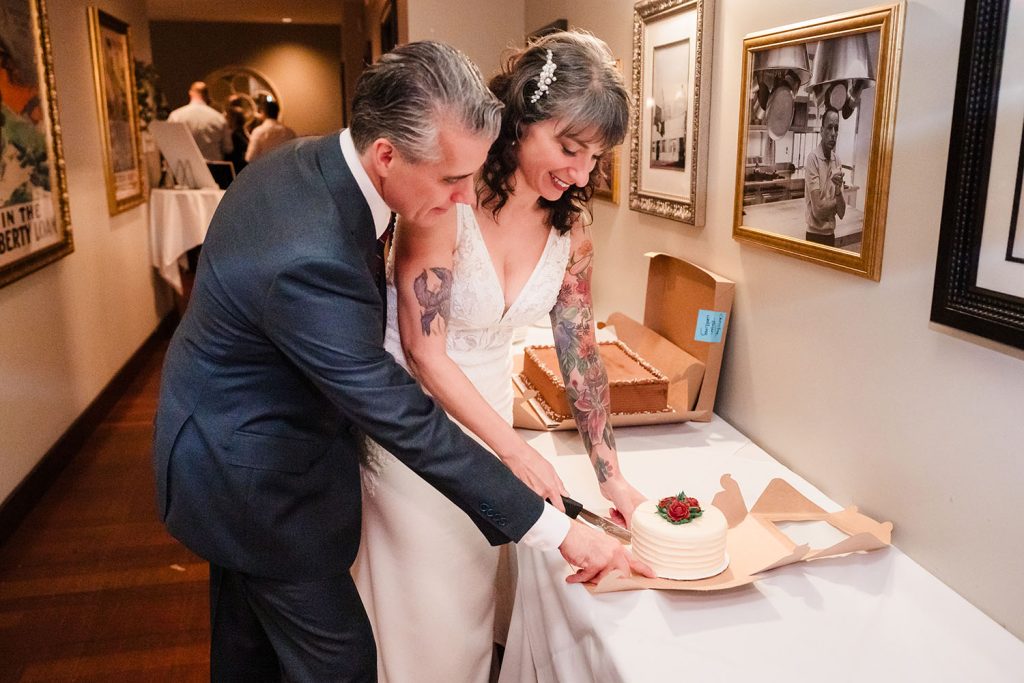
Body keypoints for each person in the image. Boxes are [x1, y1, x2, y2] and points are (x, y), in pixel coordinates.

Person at [152, 40, 650, 682]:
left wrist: (607, 478)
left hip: (250, 433)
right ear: (387, 153)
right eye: (450, 180)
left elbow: (575, 345)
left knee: (249, 650)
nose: (465, 198)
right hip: (254, 473)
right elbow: (398, 397)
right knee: (344, 658)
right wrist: (556, 529)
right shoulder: (313, 253)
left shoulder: (309, 163)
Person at [353, 32, 647, 683]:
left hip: (490, 420)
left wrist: (610, 475)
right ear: (520, 117)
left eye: (594, 157)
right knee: (417, 620)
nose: (579, 172)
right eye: (568, 148)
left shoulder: (573, 229)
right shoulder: (444, 201)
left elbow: (579, 348)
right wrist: (513, 452)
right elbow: (425, 353)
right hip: (417, 428)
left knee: (467, 615)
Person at [804, 107, 846, 246]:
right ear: (821, 131)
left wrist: (838, 192)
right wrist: (836, 203)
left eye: (836, 128)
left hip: (830, 236)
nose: (833, 133)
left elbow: (841, 212)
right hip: (814, 236)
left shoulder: (837, 161)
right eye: (829, 128)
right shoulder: (813, 159)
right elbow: (818, 210)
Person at [167, 81, 232, 161]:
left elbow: (168, 145)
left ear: (190, 93)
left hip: (186, 167)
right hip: (213, 168)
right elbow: (228, 148)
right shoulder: (218, 118)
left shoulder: (176, 116)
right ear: (207, 95)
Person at [224, 105, 248, 174]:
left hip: (236, 170)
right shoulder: (244, 132)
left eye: (227, 117)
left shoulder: (234, 135)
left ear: (233, 119)